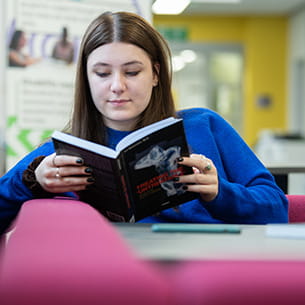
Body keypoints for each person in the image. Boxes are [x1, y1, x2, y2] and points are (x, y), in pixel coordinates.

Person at [0, 11, 288, 234]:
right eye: (102, 74)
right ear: (87, 81)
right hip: (116, 278)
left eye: (132, 72)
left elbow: (277, 210)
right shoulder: (62, 153)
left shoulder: (204, 125)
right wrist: (30, 181)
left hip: (209, 270)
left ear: (155, 74)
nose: (117, 86)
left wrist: (220, 192)